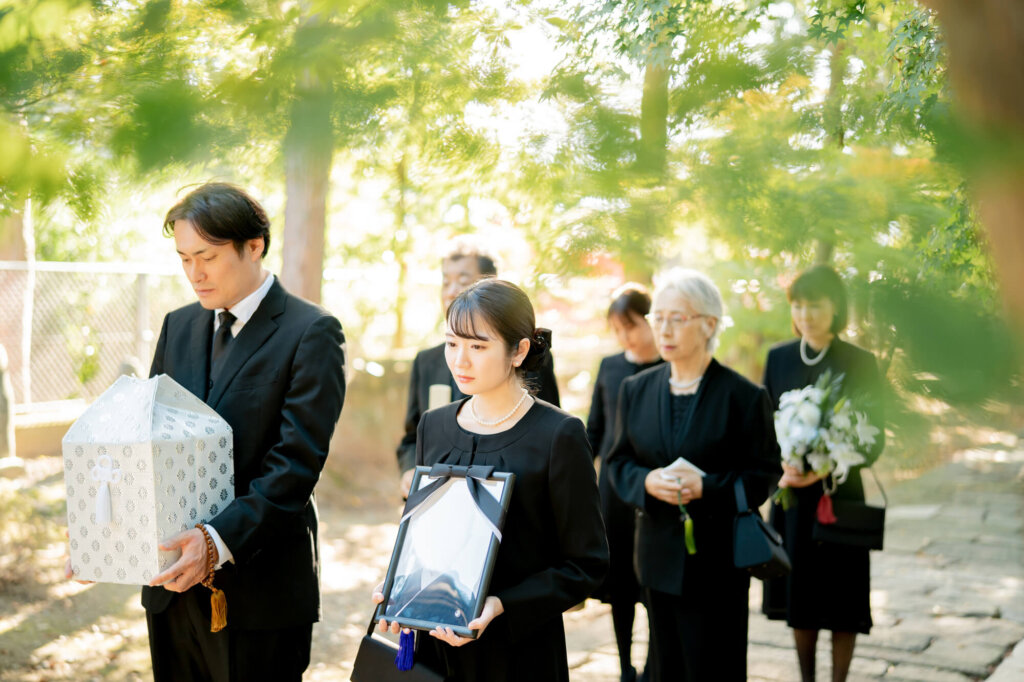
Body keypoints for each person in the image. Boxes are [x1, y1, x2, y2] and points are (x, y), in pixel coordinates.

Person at [142, 182, 346, 681]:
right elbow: (145, 440)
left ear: (254, 246)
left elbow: (295, 465)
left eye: (207, 256)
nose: (195, 273)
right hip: (170, 587)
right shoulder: (177, 326)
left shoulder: (312, 332)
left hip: (261, 589)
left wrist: (216, 541)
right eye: (184, 258)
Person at [374, 278, 608, 681]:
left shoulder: (559, 434)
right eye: (452, 343)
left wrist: (503, 604)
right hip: (437, 645)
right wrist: (401, 583)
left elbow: (586, 565)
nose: (460, 361)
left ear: (519, 350)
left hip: (520, 652)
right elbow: (425, 534)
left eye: (478, 347)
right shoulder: (435, 425)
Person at [605, 268, 780, 682]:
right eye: (658, 317)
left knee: (713, 667)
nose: (663, 328)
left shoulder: (744, 397)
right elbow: (618, 462)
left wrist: (709, 487)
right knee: (663, 668)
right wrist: (646, 482)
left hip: (718, 565)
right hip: (655, 557)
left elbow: (764, 475)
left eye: (676, 319)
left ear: (709, 325)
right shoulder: (637, 390)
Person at [761, 265, 885, 682]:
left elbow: (875, 438)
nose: (806, 313)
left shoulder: (859, 361)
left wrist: (823, 468)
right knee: (803, 601)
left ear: (836, 307)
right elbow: (764, 426)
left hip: (840, 497)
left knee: (844, 601)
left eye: (815, 304)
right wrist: (783, 465)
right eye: (798, 304)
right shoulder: (778, 357)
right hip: (793, 499)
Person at [396, 239, 560, 497]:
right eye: (445, 282)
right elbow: (412, 437)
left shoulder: (524, 357)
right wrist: (409, 471)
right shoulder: (426, 362)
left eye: (463, 282)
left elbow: (545, 434)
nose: (452, 292)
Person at [585, 283, 662, 682]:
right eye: (617, 329)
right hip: (612, 493)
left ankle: (654, 667)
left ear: (651, 320)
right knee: (619, 587)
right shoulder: (610, 366)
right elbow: (594, 430)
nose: (625, 336)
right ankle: (626, 667)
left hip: (653, 492)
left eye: (630, 325)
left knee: (653, 584)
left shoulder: (670, 367)